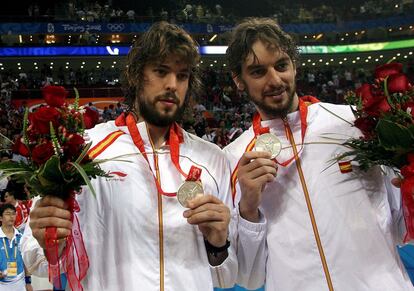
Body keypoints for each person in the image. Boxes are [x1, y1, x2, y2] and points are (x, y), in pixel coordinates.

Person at [21, 22, 236, 291]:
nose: (172, 84)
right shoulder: (84, 149)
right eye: (161, 71)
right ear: (136, 75)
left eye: (182, 76)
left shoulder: (212, 159)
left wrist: (218, 244)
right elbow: (36, 259)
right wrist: (48, 237)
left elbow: (227, 276)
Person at [224, 17, 413, 290]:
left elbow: (401, 225)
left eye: (281, 66)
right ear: (238, 80)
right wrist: (248, 209)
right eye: (257, 72)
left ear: (294, 65)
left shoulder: (354, 123)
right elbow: (249, 277)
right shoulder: (234, 158)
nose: (275, 80)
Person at [0, 204, 32, 291]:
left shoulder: (21, 237)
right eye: (7, 214)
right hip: (1, 284)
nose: (11, 216)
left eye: (13, 214)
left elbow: (26, 261)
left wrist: (28, 282)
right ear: (0, 218)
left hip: (20, 282)